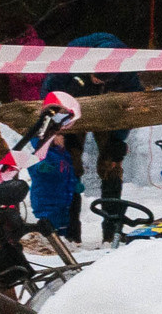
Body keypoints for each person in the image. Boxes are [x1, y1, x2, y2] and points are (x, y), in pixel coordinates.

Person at [58, 33, 147, 243]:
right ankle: (70, 235)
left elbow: (131, 108)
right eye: (96, 76)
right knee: (70, 163)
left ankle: (111, 231)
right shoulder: (71, 57)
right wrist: (60, 131)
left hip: (109, 113)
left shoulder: (127, 73)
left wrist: (118, 139)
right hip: (71, 110)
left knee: (112, 163)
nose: (98, 80)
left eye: (105, 79)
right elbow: (50, 91)